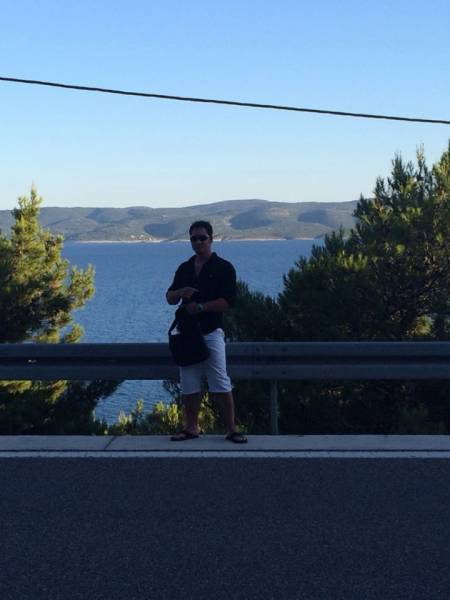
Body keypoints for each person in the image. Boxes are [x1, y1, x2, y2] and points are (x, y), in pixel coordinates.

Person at [166, 220, 248, 443]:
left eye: (202, 237)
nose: (198, 242)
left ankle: (232, 429)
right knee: (189, 382)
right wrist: (180, 292)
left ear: (211, 239)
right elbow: (169, 297)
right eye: (194, 238)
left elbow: (228, 302)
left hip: (211, 331)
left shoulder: (224, 268)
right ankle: (191, 428)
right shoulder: (184, 268)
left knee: (219, 380)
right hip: (187, 333)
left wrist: (201, 307)